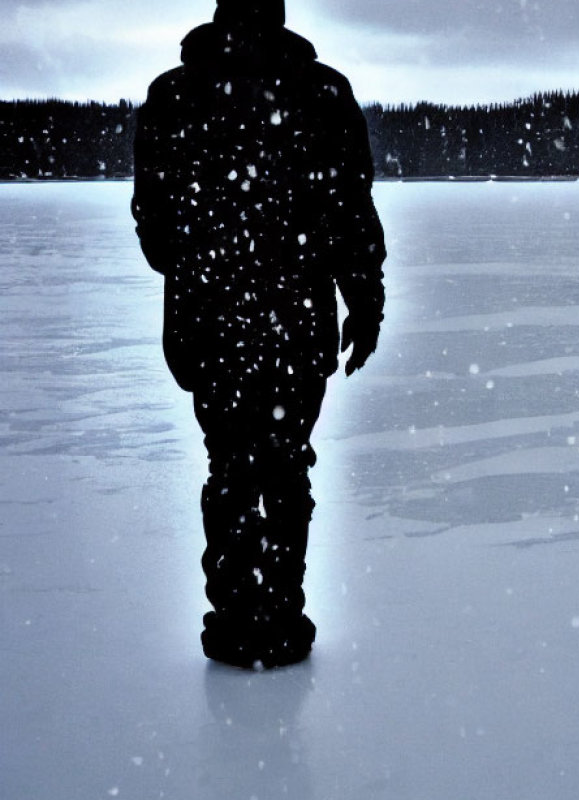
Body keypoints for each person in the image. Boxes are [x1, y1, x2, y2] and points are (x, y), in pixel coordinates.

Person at [132, 0, 386, 668]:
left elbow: (154, 230)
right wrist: (363, 298)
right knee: (282, 462)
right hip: (294, 322)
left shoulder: (175, 95)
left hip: (209, 322)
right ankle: (279, 617)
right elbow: (351, 211)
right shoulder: (322, 93)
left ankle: (236, 619)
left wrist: (205, 259)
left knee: (233, 466)